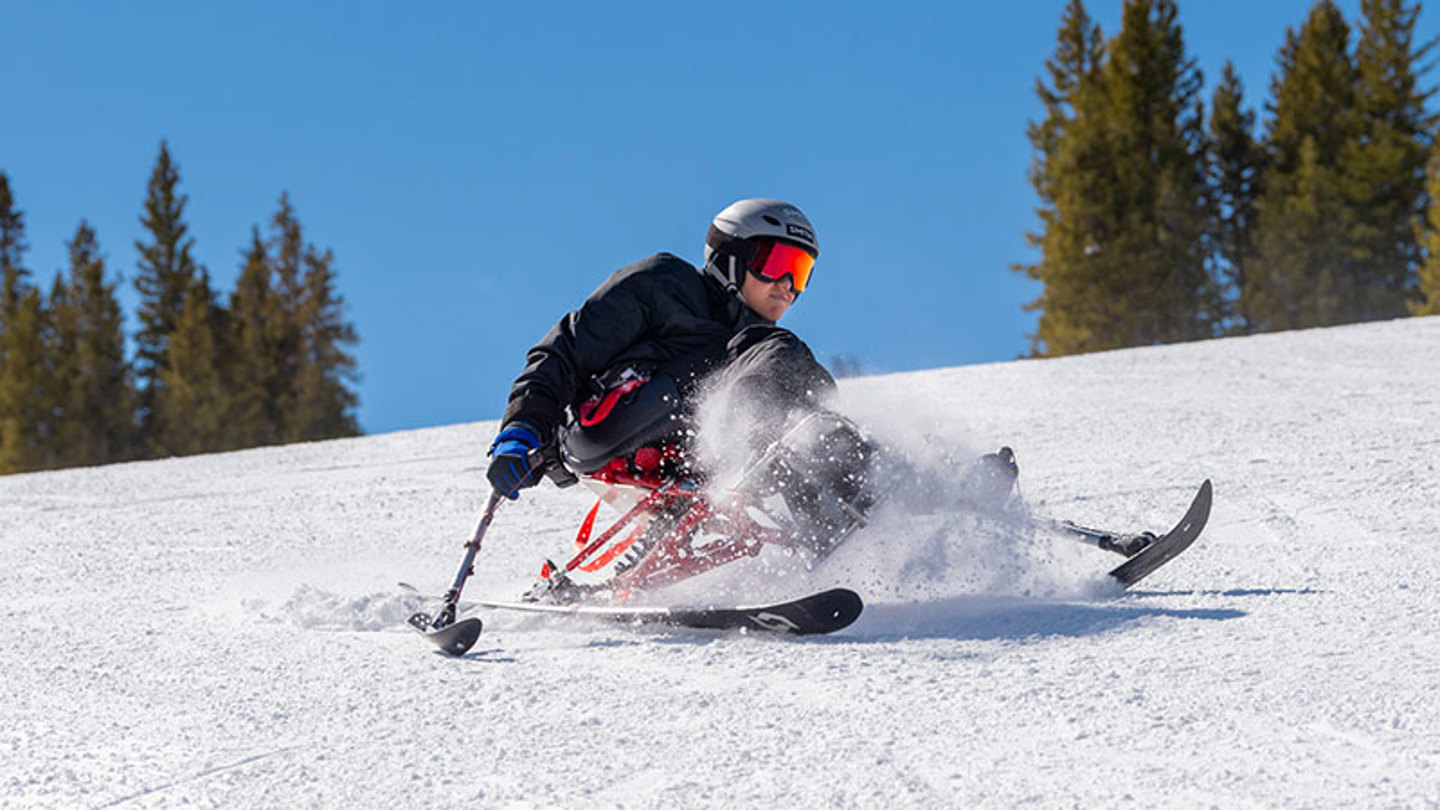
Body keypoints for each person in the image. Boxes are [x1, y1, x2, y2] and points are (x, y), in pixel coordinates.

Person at [485, 198, 841, 503]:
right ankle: (785, 462)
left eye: (800, 272)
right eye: (777, 265)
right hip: (612, 417)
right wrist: (521, 429)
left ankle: (837, 494)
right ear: (733, 257)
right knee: (781, 354)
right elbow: (564, 351)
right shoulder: (664, 283)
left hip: (681, 443)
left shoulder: (752, 347)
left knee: (794, 376)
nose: (787, 287)